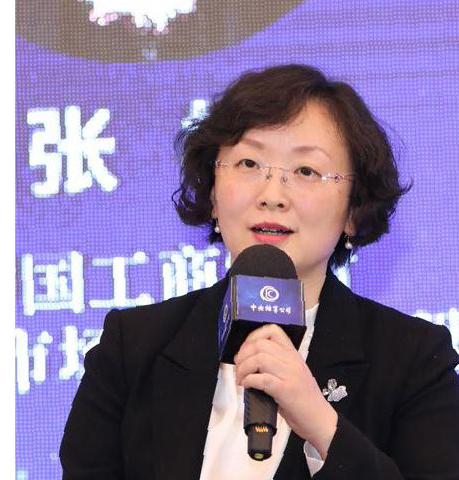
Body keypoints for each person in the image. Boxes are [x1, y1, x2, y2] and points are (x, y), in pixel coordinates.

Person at [59, 64, 459, 479]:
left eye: (306, 171)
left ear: (354, 211)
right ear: (213, 195)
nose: (272, 195)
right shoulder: (133, 346)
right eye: (249, 163)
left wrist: (319, 422)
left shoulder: (413, 359)